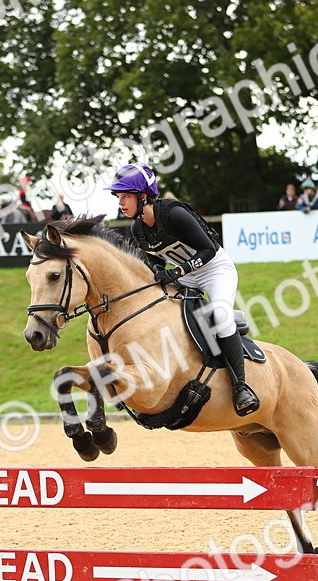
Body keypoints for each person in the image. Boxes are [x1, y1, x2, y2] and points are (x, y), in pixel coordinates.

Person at [107, 162, 260, 416]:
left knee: (221, 316)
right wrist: (157, 271)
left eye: (125, 196)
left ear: (143, 196)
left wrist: (177, 272)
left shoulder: (174, 214)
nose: (120, 202)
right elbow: (155, 258)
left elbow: (209, 250)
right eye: (119, 197)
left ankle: (241, 387)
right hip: (187, 278)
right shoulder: (137, 228)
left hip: (214, 270)